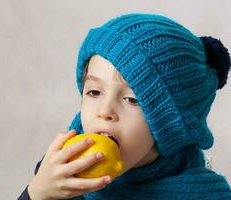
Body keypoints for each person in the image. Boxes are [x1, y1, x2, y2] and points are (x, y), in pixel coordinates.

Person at [18, 13, 231, 200]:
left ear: (169, 127)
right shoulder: (63, 175)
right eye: (94, 92)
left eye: (132, 99)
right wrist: (36, 193)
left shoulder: (203, 194)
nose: (105, 112)